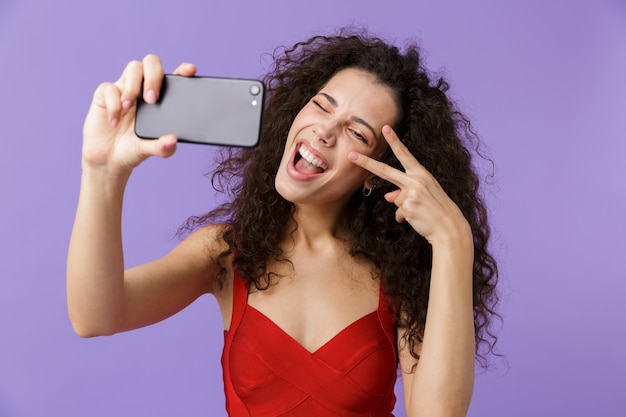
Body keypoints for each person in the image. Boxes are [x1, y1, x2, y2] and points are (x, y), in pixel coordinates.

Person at [67, 29, 499, 417]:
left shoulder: (399, 277)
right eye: (321, 106)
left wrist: (453, 240)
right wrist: (102, 171)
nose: (324, 132)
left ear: (375, 171)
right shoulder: (224, 253)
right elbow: (95, 317)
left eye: (357, 133)